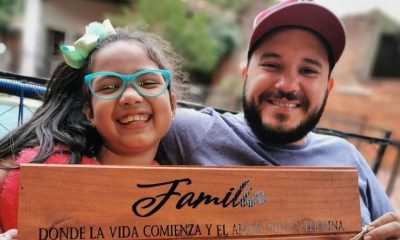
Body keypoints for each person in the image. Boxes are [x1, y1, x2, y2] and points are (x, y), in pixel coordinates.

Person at [156, 1, 400, 239]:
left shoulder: (348, 158)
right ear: (245, 74)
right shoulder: (192, 132)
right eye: (272, 65)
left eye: (308, 71)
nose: (288, 86)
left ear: (328, 87)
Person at [0, 20, 185, 239]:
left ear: (173, 105)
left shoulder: (185, 194)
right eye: (109, 87)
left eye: (147, 83)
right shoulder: (29, 168)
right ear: (89, 112)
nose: (131, 97)